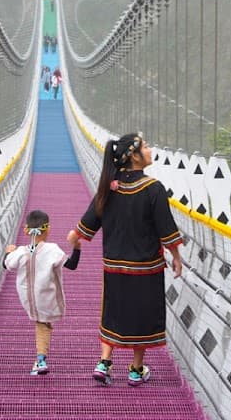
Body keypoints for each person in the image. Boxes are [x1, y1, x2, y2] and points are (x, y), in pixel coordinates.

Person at [67, 133, 185, 386]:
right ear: (134, 155)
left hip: (114, 266)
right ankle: (135, 369)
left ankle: (104, 362)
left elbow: (89, 222)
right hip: (146, 268)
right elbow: (166, 228)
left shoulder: (109, 187)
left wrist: (76, 236)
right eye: (146, 146)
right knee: (141, 316)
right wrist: (176, 257)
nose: (151, 149)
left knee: (113, 312)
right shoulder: (153, 189)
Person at [4, 209, 81, 375]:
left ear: (26, 230)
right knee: (43, 325)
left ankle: (40, 360)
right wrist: (77, 248)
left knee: (42, 325)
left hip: (28, 299)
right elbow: (72, 265)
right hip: (47, 297)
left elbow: (7, 265)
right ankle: (40, 360)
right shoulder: (52, 250)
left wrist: (9, 251)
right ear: (48, 229)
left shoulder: (21, 251)